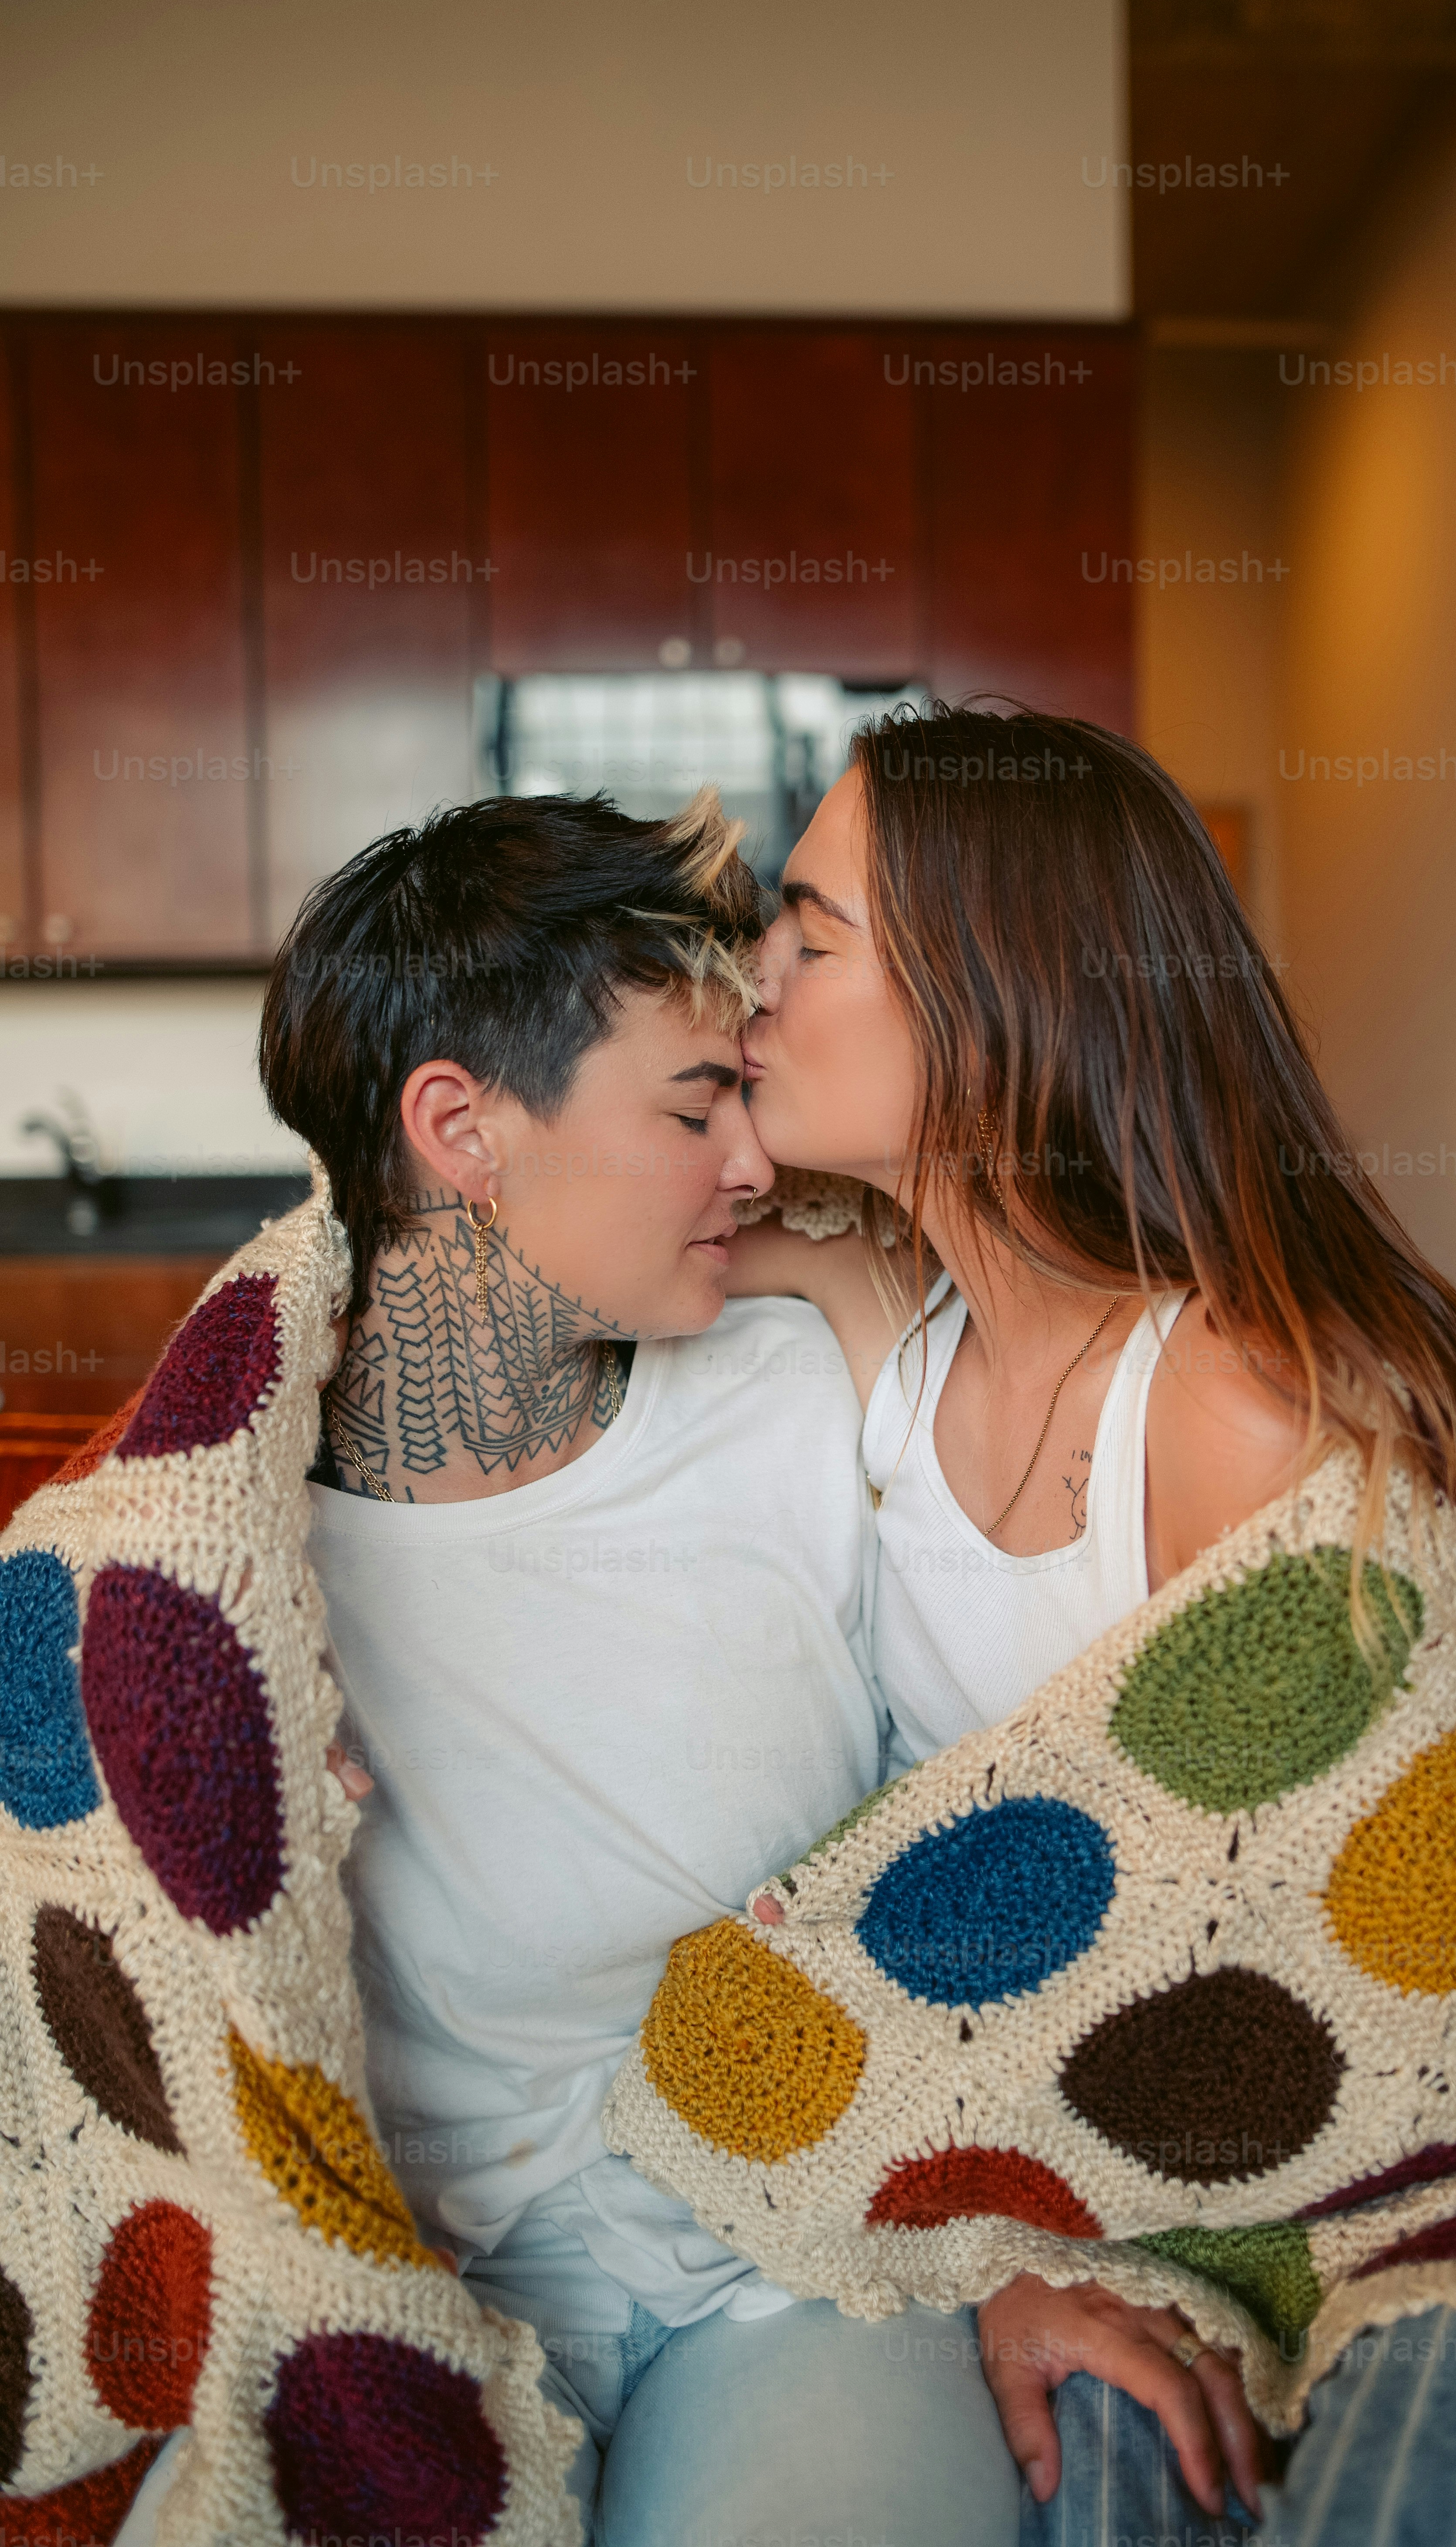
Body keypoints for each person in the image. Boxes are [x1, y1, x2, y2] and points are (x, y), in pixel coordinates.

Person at [723, 701, 1456, 2546]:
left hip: (1431, 2133)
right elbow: (528, 1216)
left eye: (807, 933)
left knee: (1451, 2476)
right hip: (1106, 2168)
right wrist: (996, 2255)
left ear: (993, 996)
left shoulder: (1233, 1405)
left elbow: (1322, 1946)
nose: (749, 986)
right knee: (1110, 2467)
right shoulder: (879, 1335)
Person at [244, 790, 1018, 2546]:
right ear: (462, 1126)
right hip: (406, 2305)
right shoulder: (233, 1529)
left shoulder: (794, 1381)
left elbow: (1005, 1797)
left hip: (792, 2264)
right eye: (693, 1106)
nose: (752, 1161)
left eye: (746, 1093)